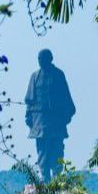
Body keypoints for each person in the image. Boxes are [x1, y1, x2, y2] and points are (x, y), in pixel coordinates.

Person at [24, 49, 76, 182]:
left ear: (50, 59)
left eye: (42, 59)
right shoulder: (34, 76)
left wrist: (65, 116)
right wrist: (28, 116)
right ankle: (45, 181)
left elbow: (66, 97)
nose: (40, 61)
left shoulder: (58, 75)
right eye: (39, 59)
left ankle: (57, 181)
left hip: (55, 122)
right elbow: (29, 101)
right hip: (39, 122)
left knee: (57, 151)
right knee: (42, 153)